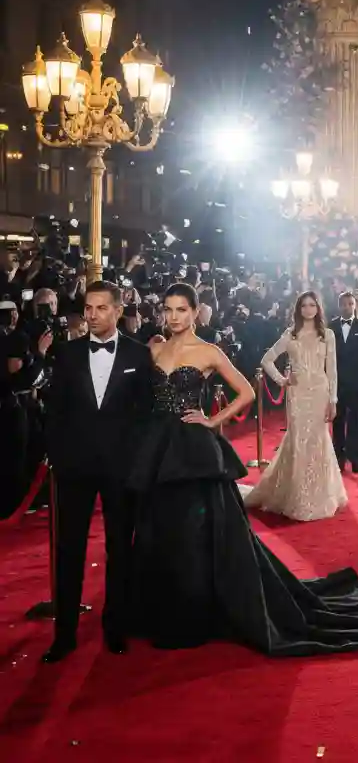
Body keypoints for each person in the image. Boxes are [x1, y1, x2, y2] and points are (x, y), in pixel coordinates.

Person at [127, 282, 358, 654]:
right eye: (167, 310)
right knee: (162, 525)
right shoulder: (155, 349)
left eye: (181, 310)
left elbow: (246, 391)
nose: (173, 317)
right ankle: (159, 604)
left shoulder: (208, 351)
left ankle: (198, 605)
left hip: (195, 450)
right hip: (159, 449)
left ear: (195, 312)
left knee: (196, 529)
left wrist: (214, 421)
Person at [41, 281, 154, 663]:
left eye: (101, 308)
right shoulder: (67, 353)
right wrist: (59, 456)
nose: (91, 315)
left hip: (121, 469)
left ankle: (115, 628)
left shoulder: (139, 354)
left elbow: (146, 416)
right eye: (88, 308)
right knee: (69, 550)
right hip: (75, 469)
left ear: (118, 311)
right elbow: (54, 411)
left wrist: (135, 459)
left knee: (120, 550)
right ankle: (64, 634)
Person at [241, 291, 347, 520]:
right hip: (297, 395)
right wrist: (283, 380)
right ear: (298, 309)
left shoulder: (327, 335)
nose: (308, 309)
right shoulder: (291, 335)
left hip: (320, 392)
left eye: (312, 305)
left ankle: (321, 495)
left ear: (318, 308)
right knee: (298, 439)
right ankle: (297, 497)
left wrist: (333, 400)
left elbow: (333, 370)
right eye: (304, 306)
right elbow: (267, 359)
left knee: (318, 440)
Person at [326, 290, 358, 475]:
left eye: (350, 304)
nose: (347, 307)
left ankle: (355, 459)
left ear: (356, 306)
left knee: (355, 422)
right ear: (339, 306)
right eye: (344, 304)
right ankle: (339, 459)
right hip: (336, 383)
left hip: (357, 383)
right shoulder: (330, 327)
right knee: (337, 422)